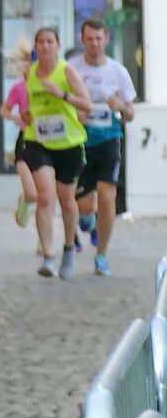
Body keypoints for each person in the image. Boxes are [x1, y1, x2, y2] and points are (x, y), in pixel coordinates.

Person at [18, 28, 92, 279]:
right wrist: (27, 115)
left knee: (67, 201)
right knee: (45, 198)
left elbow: (87, 104)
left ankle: (69, 249)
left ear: (57, 46)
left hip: (68, 144)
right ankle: (48, 256)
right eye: (41, 42)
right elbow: (29, 106)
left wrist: (61, 94)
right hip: (38, 142)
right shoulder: (29, 73)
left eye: (50, 42)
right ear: (36, 48)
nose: (46, 46)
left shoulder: (66, 71)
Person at [68, 19, 136, 276]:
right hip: (79, 140)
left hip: (109, 138)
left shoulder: (118, 71)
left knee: (108, 196)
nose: (95, 43)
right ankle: (88, 223)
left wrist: (120, 106)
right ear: (82, 39)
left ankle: (101, 255)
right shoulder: (72, 69)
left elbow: (131, 114)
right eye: (90, 39)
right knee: (84, 206)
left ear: (107, 38)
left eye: (99, 38)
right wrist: (75, 113)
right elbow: (61, 103)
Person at [0, 56, 37, 228]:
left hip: (48, 140)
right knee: (32, 193)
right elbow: (3, 110)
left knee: (46, 196)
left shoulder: (52, 86)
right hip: (24, 140)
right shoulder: (19, 87)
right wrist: (16, 117)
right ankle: (24, 201)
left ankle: (44, 242)